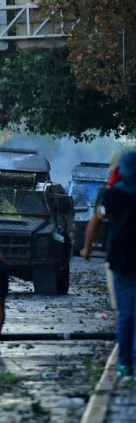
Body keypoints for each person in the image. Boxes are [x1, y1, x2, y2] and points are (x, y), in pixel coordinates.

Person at [82, 151, 136, 376]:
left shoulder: (112, 195)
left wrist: (87, 247)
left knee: (125, 312)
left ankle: (124, 362)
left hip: (120, 260)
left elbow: (96, 221)